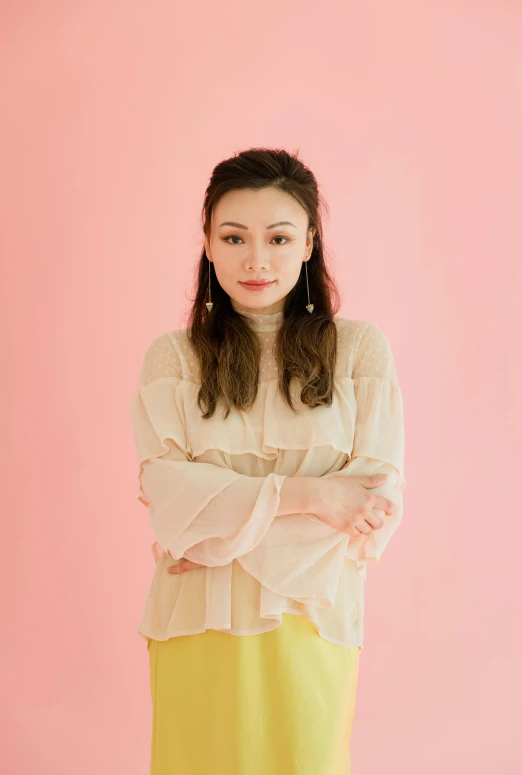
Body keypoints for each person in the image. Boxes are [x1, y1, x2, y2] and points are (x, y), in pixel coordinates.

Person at [130, 146, 406, 775]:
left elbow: (373, 506)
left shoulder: (360, 351)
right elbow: (169, 500)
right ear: (207, 242)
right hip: (196, 626)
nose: (257, 259)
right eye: (234, 237)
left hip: (312, 623)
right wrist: (310, 497)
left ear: (309, 242)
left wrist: (212, 529)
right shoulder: (172, 359)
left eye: (279, 237)